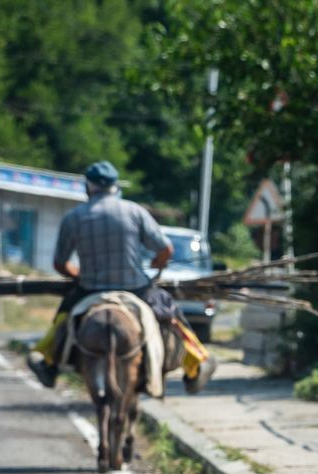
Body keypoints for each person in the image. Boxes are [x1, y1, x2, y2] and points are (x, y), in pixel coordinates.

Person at [27, 160, 213, 393]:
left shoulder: (74, 217)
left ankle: (48, 363)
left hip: (90, 288)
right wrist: (159, 262)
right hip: (135, 286)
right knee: (169, 313)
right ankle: (196, 360)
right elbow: (166, 249)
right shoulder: (134, 211)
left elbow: (60, 263)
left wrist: (79, 275)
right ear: (115, 187)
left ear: (89, 187)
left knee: (64, 316)